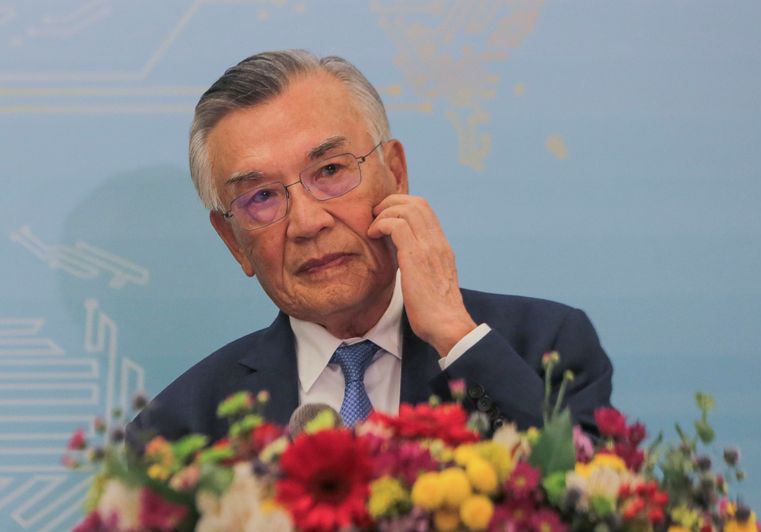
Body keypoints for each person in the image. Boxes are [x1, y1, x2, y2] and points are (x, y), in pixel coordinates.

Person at [131, 50, 612, 443]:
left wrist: (455, 337)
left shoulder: (544, 349)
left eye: (331, 171)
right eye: (261, 197)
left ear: (396, 174)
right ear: (233, 241)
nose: (308, 222)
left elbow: (592, 505)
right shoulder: (179, 432)